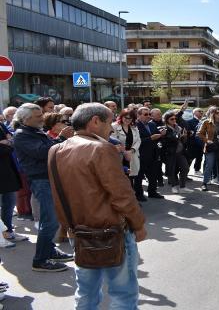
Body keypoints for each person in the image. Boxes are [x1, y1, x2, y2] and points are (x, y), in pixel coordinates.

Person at [48, 103, 146, 308]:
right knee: (123, 294)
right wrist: (138, 225)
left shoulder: (56, 149)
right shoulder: (102, 148)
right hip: (111, 231)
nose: (111, 128)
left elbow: (57, 194)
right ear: (95, 121)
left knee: (86, 293)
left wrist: (67, 227)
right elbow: (122, 194)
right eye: (109, 122)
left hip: (80, 231)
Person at [13, 103, 74, 272]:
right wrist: (61, 138)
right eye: (38, 116)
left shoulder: (34, 131)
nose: (42, 118)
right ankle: (40, 260)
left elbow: (49, 148)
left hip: (48, 178)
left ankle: (50, 251)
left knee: (52, 220)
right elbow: (42, 152)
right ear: (25, 119)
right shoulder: (21, 135)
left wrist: (59, 140)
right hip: (41, 180)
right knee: (50, 221)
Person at [0, 121, 28, 246]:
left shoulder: (1, 124)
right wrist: (8, 143)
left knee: (9, 203)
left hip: (7, 170)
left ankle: (8, 231)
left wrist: (8, 142)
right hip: (4, 170)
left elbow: (11, 140)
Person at [134, 107, 165, 201]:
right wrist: (151, 138)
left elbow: (157, 138)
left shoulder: (152, 124)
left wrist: (161, 135)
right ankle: (139, 194)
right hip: (141, 154)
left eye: (149, 114)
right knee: (139, 176)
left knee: (153, 175)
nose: (148, 116)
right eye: (145, 114)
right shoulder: (135, 125)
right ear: (139, 116)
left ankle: (152, 192)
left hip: (153, 153)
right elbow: (136, 141)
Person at [160, 111, 189, 193]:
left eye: (175, 119)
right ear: (166, 120)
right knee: (172, 170)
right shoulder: (165, 129)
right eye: (171, 119)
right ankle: (174, 186)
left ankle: (182, 186)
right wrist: (180, 136)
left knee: (185, 168)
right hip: (170, 152)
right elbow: (170, 139)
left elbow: (182, 141)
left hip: (180, 152)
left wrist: (184, 136)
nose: (174, 120)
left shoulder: (178, 128)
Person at [112, 109, 141, 188]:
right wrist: (124, 152)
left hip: (132, 155)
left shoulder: (134, 127)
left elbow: (138, 140)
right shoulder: (114, 126)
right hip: (120, 156)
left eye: (130, 118)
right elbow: (113, 141)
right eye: (126, 117)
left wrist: (131, 151)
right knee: (123, 178)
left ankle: (133, 196)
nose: (128, 120)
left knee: (131, 176)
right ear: (121, 117)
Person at [198, 107, 219, 191]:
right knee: (209, 165)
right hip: (211, 147)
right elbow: (199, 133)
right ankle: (204, 183)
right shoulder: (207, 122)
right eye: (217, 113)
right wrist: (207, 140)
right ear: (212, 114)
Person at [186, 108, 204, 174]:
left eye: (202, 111)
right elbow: (188, 133)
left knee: (200, 157)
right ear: (194, 113)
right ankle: (185, 172)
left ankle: (197, 169)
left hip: (201, 143)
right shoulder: (189, 121)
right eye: (199, 111)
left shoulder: (203, 121)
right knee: (190, 158)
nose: (201, 112)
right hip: (192, 143)